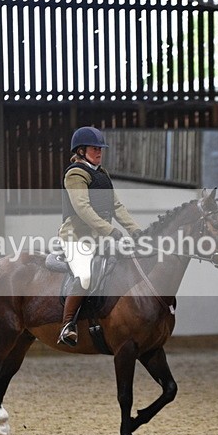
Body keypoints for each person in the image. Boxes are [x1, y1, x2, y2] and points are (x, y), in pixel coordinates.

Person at [57, 126, 142, 346]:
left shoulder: (102, 174)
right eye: (94, 148)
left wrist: (135, 230)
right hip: (76, 236)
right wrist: (110, 230)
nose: (99, 152)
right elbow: (83, 209)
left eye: (100, 149)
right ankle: (68, 325)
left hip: (102, 237)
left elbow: (116, 206)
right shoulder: (75, 174)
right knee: (85, 276)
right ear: (81, 150)